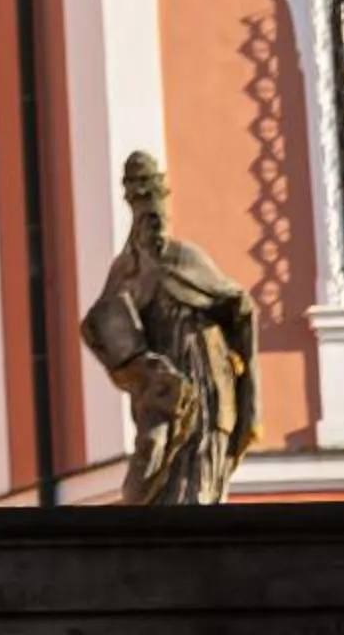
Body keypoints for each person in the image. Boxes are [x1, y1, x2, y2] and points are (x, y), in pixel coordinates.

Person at [81, 151, 258, 505]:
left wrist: (239, 372)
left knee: (200, 474)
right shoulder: (127, 270)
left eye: (158, 215)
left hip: (207, 386)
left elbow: (238, 305)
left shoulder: (187, 259)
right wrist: (141, 365)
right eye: (146, 217)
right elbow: (102, 326)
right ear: (134, 214)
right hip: (164, 392)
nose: (155, 226)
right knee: (154, 458)